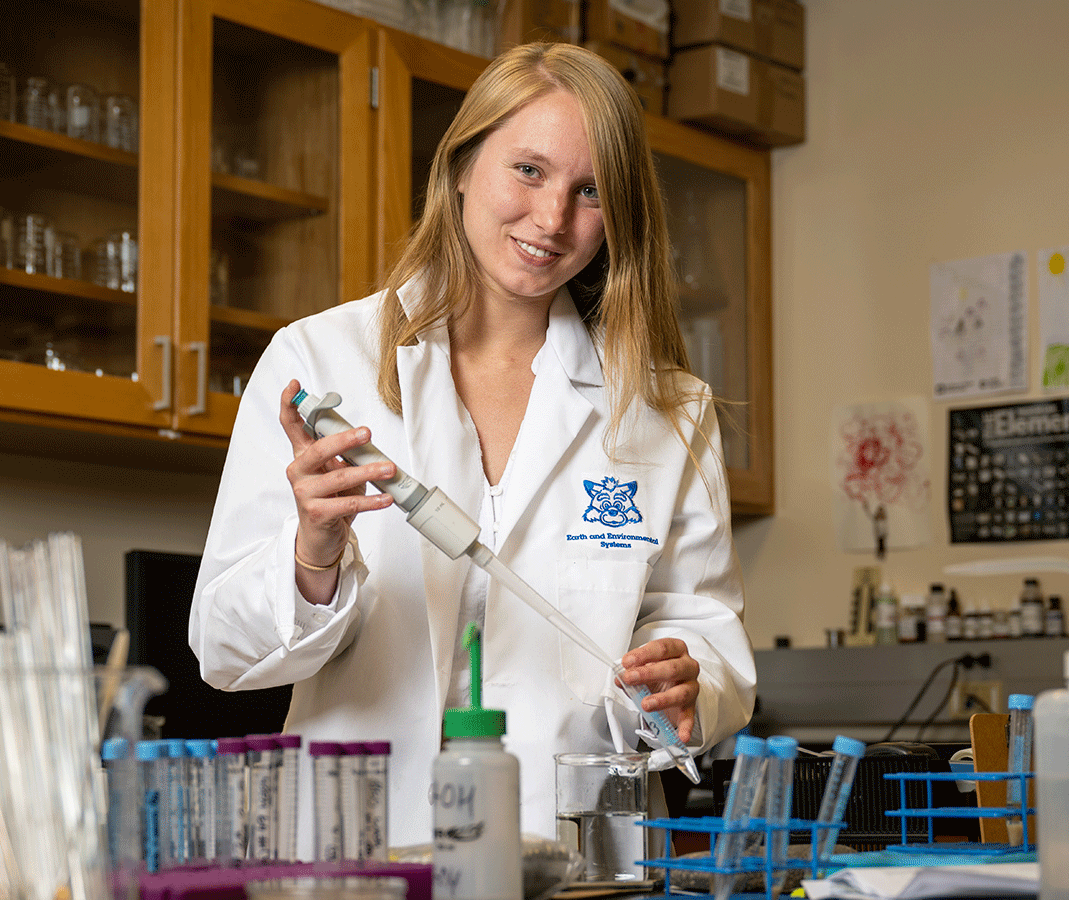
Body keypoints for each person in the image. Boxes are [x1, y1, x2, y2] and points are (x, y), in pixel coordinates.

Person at [188, 41, 756, 849]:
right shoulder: (319, 364)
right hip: (361, 847)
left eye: (590, 191)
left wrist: (685, 684)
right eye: (528, 170)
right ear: (460, 165)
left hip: (574, 851)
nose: (552, 220)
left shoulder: (666, 409)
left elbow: (706, 635)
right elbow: (222, 649)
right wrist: (313, 552)